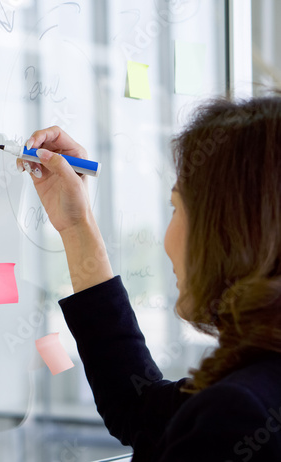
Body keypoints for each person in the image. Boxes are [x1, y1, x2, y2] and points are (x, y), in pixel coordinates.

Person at [16, 95, 281, 461]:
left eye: (176, 208)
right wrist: (76, 226)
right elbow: (138, 407)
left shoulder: (238, 418)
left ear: (229, 233)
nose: (166, 239)